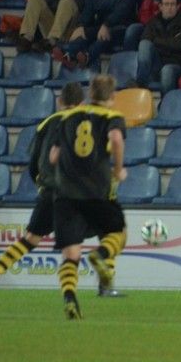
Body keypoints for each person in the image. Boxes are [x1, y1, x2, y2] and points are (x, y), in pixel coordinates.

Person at [0, 84, 101, 295]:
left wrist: (42, 184)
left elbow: (34, 163)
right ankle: (92, 289)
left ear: (59, 102)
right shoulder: (89, 126)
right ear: (81, 104)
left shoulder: (46, 124)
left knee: (29, 239)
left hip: (50, 191)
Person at [46, 75, 129, 319]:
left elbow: (52, 157)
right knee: (118, 234)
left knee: (71, 254)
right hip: (95, 191)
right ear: (112, 97)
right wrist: (117, 168)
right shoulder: (112, 117)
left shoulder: (67, 117)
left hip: (64, 194)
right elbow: (115, 139)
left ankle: (70, 299)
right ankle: (100, 255)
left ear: (90, 95)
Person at [60, 0, 137, 70]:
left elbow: (121, 12)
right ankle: (69, 56)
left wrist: (106, 24)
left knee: (103, 35)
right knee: (82, 34)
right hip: (99, 27)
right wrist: (81, 26)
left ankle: (86, 57)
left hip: (122, 28)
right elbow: (88, 11)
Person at [136, 0, 181, 92]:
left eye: (172, 4)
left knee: (167, 70)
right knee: (144, 44)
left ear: (178, 6)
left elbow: (180, 44)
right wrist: (169, 43)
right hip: (157, 63)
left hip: (177, 65)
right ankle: (140, 86)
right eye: (166, 4)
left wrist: (156, 40)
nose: (170, 7)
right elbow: (145, 39)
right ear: (160, 6)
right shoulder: (153, 21)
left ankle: (165, 105)